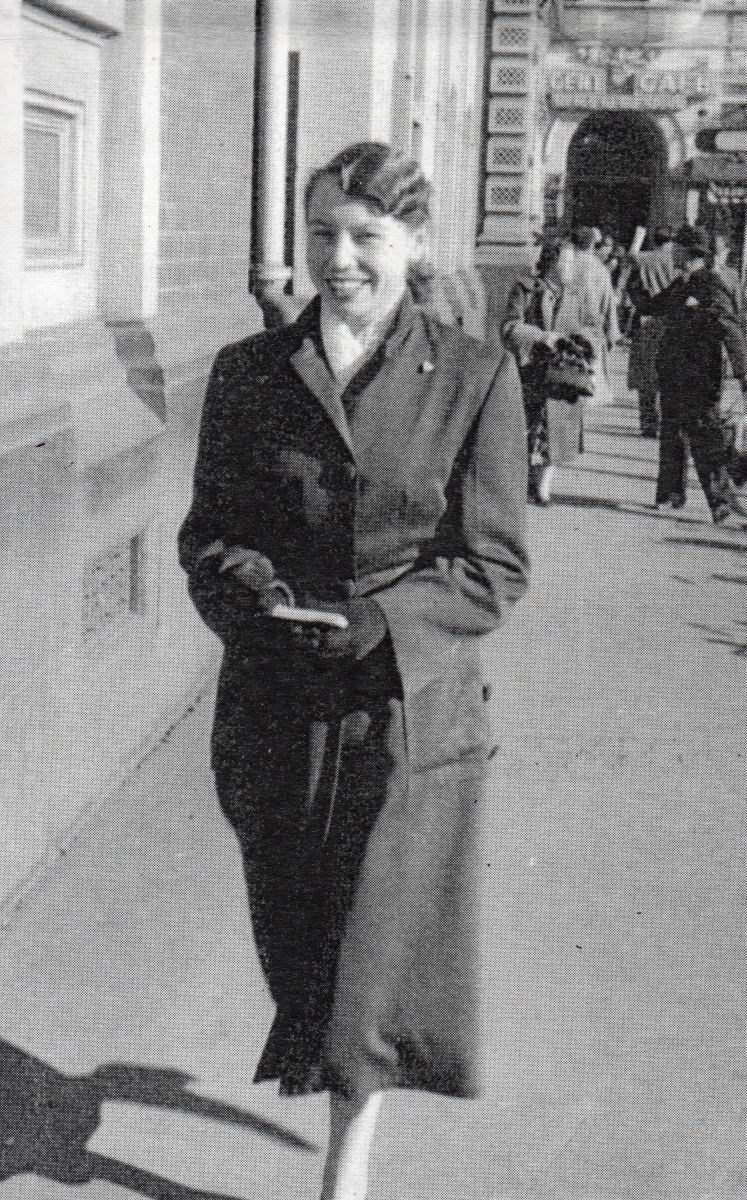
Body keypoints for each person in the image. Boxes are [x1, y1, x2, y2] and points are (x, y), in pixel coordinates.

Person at [178, 142, 529, 1200]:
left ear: (412, 245)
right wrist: (244, 588)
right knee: (300, 944)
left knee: (364, 959)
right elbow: (208, 533)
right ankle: (335, 1092)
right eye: (322, 233)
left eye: (366, 237)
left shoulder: (475, 376)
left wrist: (381, 624)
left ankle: (350, 1166)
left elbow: (494, 564)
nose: (340, 259)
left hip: (405, 715)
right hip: (276, 710)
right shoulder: (248, 375)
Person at [633, 224, 747, 525]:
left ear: (686, 251)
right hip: (673, 374)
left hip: (699, 377)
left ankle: (722, 499)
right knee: (671, 433)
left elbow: (730, 328)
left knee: (704, 436)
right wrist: (633, 274)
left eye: (676, 249)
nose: (672, 254)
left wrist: (744, 373)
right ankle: (671, 494)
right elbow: (649, 306)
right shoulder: (681, 284)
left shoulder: (710, 284)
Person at [502, 239, 586, 505]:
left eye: (573, 262)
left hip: (563, 372)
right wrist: (541, 336)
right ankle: (520, 480)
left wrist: (583, 343)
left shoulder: (574, 295)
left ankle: (543, 485)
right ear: (551, 262)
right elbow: (508, 328)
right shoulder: (526, 289)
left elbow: (589, 327)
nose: (571, 267)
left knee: (558, 431)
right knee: (526, 427)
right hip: (532, 370)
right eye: (567, 262)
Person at [555, 225, 620, 407]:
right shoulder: (601, 270)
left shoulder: (564, 267)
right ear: (592, 244)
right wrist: (611, 336)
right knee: (585, 389)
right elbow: (609, 309)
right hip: (590, 339)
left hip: (562, 333)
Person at [626, 226, 678, 437]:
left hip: (648, 318)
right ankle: (669, 421)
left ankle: (648, 422)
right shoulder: (678, 261)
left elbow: (631, 273)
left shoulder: (644, 258)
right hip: (673, 320)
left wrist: (639, 235)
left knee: (646, 371)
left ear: (655, 240)